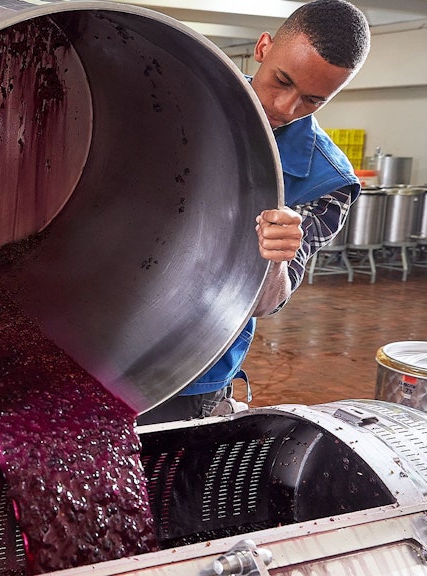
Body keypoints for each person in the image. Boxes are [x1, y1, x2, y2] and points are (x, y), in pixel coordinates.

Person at [138, 0, 370, 425]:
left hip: (187, 373)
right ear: (263, 48)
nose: (285, 108)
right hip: (98, 331)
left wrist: (277, 257)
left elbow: (268, 304)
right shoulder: (181, 96)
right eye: (282, 81)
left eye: (312, 101)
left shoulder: (326, 180)